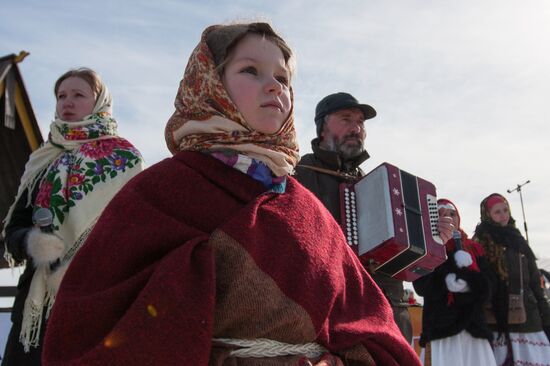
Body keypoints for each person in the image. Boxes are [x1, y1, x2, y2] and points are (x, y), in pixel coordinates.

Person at [42, 23, 421, 366]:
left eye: (283, 78)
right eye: (250, 71)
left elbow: (363, 317)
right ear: (209, 83)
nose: (274, 86)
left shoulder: (303, 204)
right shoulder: (160, 189)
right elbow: (95, 313)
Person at [1, 68, 144, 365]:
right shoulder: (43, 161)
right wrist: (31, 242)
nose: (67, 102)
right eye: (61, 96)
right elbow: (13, 229)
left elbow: (135, 234)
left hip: (96, 304)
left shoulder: (125, 161)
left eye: (78, 95)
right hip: (37, 311)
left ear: (99, 101)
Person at [294, 92, 453, 343]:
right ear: (322, 126)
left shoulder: (374, 184)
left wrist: (433, 237)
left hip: (388, 314)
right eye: (346, 119)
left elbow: (404, 261)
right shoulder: (300, 175)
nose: (356, 128)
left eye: (361, 123)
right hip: (331, 317)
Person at [413, 198, 496, 366]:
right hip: (442, 329)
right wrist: (444, 281)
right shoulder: (424, 246)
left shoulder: (473, 248)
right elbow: (421, 286)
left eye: (452, 214)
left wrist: (470, 282)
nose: (448, 218)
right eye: (441, 214)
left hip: (474, 328)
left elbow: (489, 287)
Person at [473, 193, 550, 365]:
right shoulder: (480, 241)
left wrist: (545, 313)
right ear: (487, 215)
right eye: (497, 211)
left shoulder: (517, 239)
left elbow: (534, 279)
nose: (503, 215)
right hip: (496, 318)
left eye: (505, 210)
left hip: (528, 316)